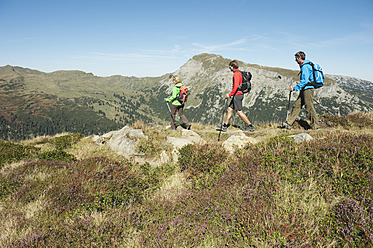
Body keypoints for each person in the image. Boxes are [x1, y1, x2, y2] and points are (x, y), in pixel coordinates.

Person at [282, 51, 318, 130]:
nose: (296, 61)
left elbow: (305, 81)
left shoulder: (305, 66)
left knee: (309, 107)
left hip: (308, 89)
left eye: (296, 59)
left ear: (299, 58)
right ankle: (288, 123)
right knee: (297, 105)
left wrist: (295, 88)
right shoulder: (306, 65)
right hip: (305, 88)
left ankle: (315, 126)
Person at [217, 60, 254, 132]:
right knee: (229, 109)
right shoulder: (239, 73)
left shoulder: (236, 74)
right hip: (237, 95)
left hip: (237, 95)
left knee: (239, 112)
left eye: (230, 67)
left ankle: (250, 126)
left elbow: (236, 86)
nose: (229, 68)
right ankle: (224, 126)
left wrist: (230, 95)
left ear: (232, 67)